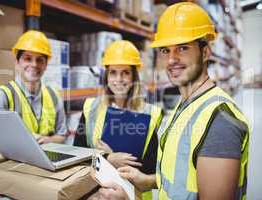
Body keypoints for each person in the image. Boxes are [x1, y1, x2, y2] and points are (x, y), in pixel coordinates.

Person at [94, 2, 251, 200]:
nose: (171, 60)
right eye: (166, 50)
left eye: (182, 48)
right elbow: (182, 177)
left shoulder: (218, 120)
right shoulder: (185, 105)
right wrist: (149, 180)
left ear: (205, 53)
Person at [74, 40, 163, 200]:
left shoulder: (149, 114)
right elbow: (77, 155)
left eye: (125, 73)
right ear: (106, 75)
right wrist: (108, 158)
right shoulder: (91, 108)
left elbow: (150, 169)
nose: (119, 79)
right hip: (96, 193)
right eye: (113, 72)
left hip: (132, 195)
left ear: (134, 76)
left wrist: (111, 156)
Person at [0, 30, 67, 150]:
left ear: (46, 65)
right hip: (15, 163)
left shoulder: (54, 96)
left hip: (48, 162)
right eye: (28, 58)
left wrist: (49, 140)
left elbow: (61, 136)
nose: (34, 64)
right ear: (17, 62)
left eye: (40, 60)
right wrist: (24, 140)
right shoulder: (2, 96)